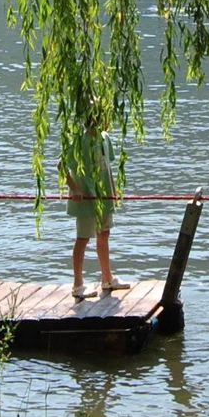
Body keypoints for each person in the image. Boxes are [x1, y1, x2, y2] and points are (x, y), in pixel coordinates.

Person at [61, 120, 126, 300]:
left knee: (104, 233)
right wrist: (75, 189)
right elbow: (62, 166)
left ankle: (107, 278)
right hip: (86, 198)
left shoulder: (105, 138)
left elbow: (107, 167)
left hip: (104, 197)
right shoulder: (78, 140)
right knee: (83, 238)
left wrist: (113, 191)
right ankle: (78, 285)